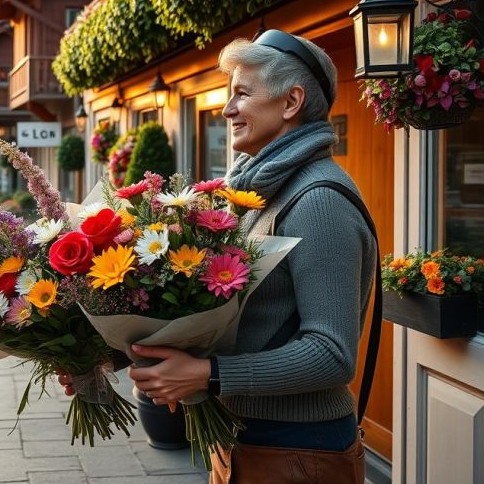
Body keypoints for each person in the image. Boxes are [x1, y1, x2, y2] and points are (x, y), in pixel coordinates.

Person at [61, 30, 374, 484]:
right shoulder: (257, 193)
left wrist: (209, 374)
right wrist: (97, 358)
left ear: (291, 102)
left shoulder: (318, 200)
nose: (227, 110)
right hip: (244, 439)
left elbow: (332, 354)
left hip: (299, 449)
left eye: (242, 94)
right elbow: (223, 322)